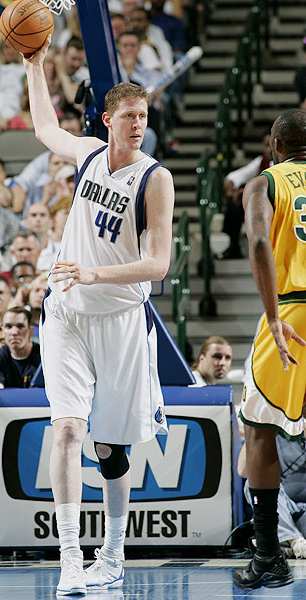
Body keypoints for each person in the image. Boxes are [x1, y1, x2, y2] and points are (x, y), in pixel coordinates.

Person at [24, 36, 174, 595]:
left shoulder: (155, 178)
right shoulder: (87, 152)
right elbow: (44, 129)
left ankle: (112, 551)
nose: (138, 123)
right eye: (129, 115)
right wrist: (35, 67)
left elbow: (157, 264)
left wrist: (95, 273)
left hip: (119, 319)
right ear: (108, 119)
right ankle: (69, 559)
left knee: (110, 446)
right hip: (65, 314)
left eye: (144, 115)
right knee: (66, 428)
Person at [232, 108, 306, 590]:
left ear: (274, 147)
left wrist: (274, 316)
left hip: (293, 312)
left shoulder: (264, 183)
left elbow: (260, 241)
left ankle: (267, 558)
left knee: (258, 430)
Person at [238, 429, 306, 560]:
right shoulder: (271, 435)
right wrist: (253, 436)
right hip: (284, 509)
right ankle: (295, 542)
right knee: (253, 484)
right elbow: (243, 471)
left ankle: (285, 543)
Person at [217, 132, 273, 260]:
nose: (269, 149)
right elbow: (234, 177)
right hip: (261, 206)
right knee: (233, 206)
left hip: (278, 206)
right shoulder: (261, 161)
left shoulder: (285, 164)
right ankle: (234, 247)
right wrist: (232, 189)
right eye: (266, 145)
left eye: (271, 145)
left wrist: (248, 191)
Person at [0, 307, 41, 406]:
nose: (14, 332)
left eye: (20, 326)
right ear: (2, 331)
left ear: (31, 331)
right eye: (8, 327)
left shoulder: (44, 356)